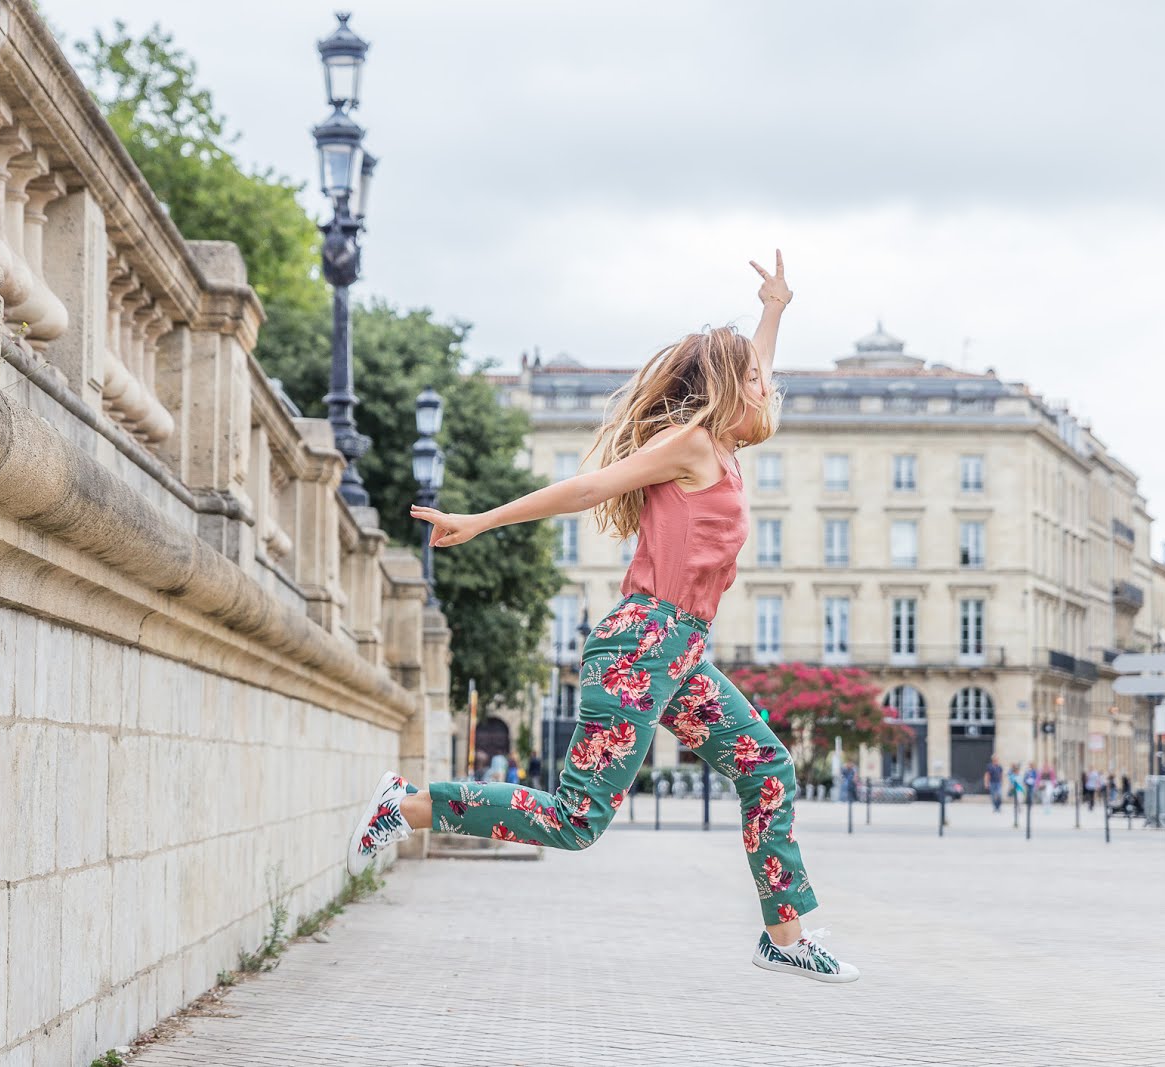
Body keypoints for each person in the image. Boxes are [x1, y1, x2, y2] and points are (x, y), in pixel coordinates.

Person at [345, 252, 857, 985]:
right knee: (573, 820)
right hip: (639, 646)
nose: (768, 388)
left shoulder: (732, 445)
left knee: (766, 765)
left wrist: (774, 309)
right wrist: (481, 520)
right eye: (755, 380)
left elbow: (758, 370)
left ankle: (783, 933)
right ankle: (410, 803)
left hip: (679, 653)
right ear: (727, 389)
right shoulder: (688, 445)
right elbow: (588, 486)